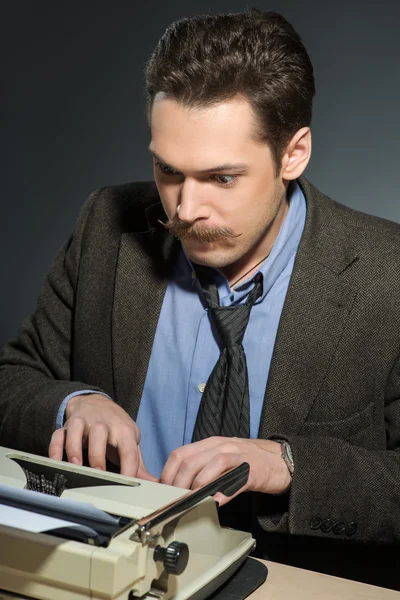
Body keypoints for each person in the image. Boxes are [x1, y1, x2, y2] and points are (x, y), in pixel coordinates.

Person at [1, 8, 400, 589]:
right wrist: (74, 403)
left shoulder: (388, 274)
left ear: (294, 154)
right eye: (168, 170)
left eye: (222, 179)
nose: (184, 209)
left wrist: (289, 464)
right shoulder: (104, 226)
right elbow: (14, 377)